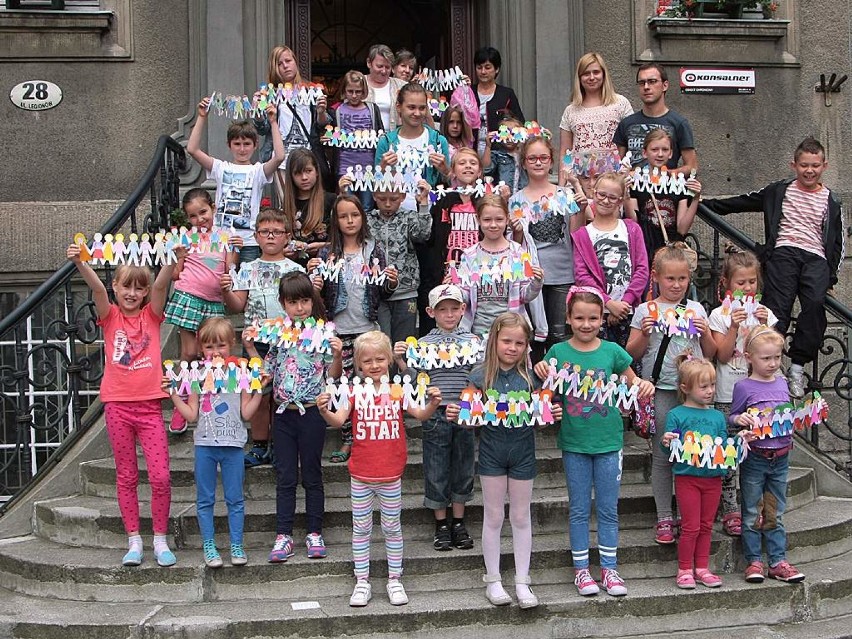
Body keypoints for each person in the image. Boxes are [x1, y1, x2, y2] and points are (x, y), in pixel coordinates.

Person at [66, 241, 184, 567]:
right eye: (126, 286)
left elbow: (162, 284)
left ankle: (159, 540)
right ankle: (134, 540)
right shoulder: (110, 316)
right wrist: (80, 263)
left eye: (138, 287)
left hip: (148, 407)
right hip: (117, 405)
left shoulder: (152, 316)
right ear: (116, 287)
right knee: (127, 476)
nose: (132, 293)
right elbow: (96, 289)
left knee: (160, 477)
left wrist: (172, 262)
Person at [702, 136, 844, 398]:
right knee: (776, 307)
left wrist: (831, 278)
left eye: (814, 165)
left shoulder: (831, 201)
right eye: (804, 165)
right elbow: (743, 201)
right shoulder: (781, 191)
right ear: (793, 165)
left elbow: (837, 243)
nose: (809, 170)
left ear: (824, 165)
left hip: (815, 258)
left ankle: (797, 367)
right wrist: (703, 205)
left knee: (814, 304)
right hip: (784, 251)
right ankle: (765, 362)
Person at [534, 287, 652, 597]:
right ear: (569, 319)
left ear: (602, 319)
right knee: (578, 508)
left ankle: (610, 569)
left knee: (609, 508)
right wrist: (543, 384)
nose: (586, 324)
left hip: (609, 442)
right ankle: (582, 570)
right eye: (580, 318)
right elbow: (544, 396)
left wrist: (643, 386)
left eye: (593, 318)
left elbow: (631, 381)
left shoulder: (612, 351)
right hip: (574, 442)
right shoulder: (557, 353)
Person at [318, 331, 442, 607]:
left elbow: (419, 414)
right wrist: (324, 411)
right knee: (360, 529)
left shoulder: (397, 389)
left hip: (390, 473)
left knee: (392, 528)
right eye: (367, 361)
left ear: (389, 360)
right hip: (361, 474)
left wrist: (433, 403)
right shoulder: (353, 390)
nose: (374, 365)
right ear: (359, 366)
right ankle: (362, 581)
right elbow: (338, 421)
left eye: (380, 359)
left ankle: (394, 579)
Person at [446, 313, 561, 608]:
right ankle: (493, 580)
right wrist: (458, 415)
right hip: (492, 454)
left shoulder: (533, 377)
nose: (512, 347)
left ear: (527, 346)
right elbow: (470, 420)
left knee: (521, 517)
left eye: (519, 343)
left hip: (522, 453)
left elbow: (540, 417)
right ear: (494, 341)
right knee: (494, 516)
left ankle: (523, 581)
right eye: (507, 341)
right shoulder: (479, 376)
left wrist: (550, 415)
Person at [627, 243, 717, 544]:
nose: (676, 285)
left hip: (692, 392)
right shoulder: (645, 310)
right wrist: (645, 331)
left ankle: (692, 512)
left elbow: (712, 353)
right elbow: (632, 354)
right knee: (663, 453)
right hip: (661, 389)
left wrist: (704, 332)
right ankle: (665, 514)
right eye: (670, 279)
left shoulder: (695, 309)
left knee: (693, 450)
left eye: (681, 279)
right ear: (656, 278)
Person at [167, 317, 267, 567]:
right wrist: (172, 395)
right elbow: (191, 415)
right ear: (201, 348)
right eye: (209, 347)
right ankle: (209, 545)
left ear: (231, 345)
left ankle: (236, 544)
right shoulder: (197, 374)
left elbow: (246, 413)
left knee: (235, 499)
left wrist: (258, 391)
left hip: (233, 445)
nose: (215, 352)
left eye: (221, 345)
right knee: (205, 499)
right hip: (205, 445)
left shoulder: (241, 371)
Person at [310, 195, 399, 463]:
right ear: (335, 220)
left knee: (370, 384)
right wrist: (313, 283)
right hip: (339, 330)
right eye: (343, 216)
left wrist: (391, 281)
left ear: (362, 218)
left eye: (355, 215)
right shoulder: (327, 253)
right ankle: (349, 438)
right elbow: (320, 293)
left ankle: (369, 434)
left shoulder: (373, 250)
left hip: (367, 329)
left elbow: (383, 290)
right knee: (343, 386)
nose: (350, 221)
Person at [393, 284, 480, 552]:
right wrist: (402, 363)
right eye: (443, 310)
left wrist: (472, 399)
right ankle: (440, 523)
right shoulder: (421, 344)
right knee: (436, 466)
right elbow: (415, 381)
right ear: (431, 312)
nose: (450, 314)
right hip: (435, 411)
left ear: (464, 310)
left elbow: (479, 375)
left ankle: (458, 520)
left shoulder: (473, 342)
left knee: (464, 465)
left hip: (464, 411)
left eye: (455, 308)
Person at [265, 272, 343, 563]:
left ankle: (314, 532)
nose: (300, 308)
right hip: (284, 414)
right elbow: (269, 369)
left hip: (312, 412)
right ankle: (283, 535)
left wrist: (336, 355)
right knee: (285, 475)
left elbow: (333, 375)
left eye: (305, 301)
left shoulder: (323, 333)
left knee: (312, 474)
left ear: (313, 302)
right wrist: (249, 348)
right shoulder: (279, 335)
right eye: (293, 302)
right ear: (283, 303)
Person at [220, 208, 305, 466]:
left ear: (287, 237)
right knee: (259, 392)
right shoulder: (247, 268)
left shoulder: (295, 268)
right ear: (256, 237)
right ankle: (259, 444)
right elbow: (238, 305)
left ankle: (282, 443)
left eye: (277, 232)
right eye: (265, 232)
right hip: (255, 340)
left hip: (287, 340)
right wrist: (226, 291)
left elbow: (303, 306)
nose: (271, 237)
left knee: (285, 391)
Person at [661, 356, 753, 589]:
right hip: (687, 478)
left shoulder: (716, 416)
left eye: (712, 385)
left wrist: (739, 440)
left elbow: (723, 445)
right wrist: (667, 440)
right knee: (690, 526)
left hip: (713, 479)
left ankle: (702, 567)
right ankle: (684, 569)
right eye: (704, 386)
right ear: (685, 388)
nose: (710, 391)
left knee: (706, 525)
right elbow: (669, 448)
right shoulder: (676, 414)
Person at [709, 247, 777, 536]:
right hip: (728, 394)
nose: (747, 288)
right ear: (726, 283)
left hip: (759, 396)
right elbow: (722, 356)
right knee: (729, 456)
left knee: (758, 455)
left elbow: (774, 349)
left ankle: (755, 507)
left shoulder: (766, 314)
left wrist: (761, 324)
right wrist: (734, 326)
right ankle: (730, 509)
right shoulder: (718, 316)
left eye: (752, 282)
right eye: (741, 283)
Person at [730, 325, 805, 584]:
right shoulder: (743, 386)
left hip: (781, 457)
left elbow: (789, 417)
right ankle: (753, 561)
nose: (773, 363)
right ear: (749, 358)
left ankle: (777, 561)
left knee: (775, 511)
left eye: (777, 357)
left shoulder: (783, 383)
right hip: (755, 458)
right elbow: (733, 416)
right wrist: (740, 418)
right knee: (751, 511)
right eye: (766, 358)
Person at [163, 188, 242, 434]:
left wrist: (235, 251)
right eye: (193, 216)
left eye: (203, 212)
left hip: (214, 301)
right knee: (189, 353)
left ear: (213, 209)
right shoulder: (185, 238)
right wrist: (178, 257)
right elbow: (176, 274)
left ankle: (216, 400)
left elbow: (231, 268)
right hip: (188, 297)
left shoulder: (226, 236)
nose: (200, 219)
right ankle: (183, 401)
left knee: (213, 356)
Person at [509, 136, 585, 350]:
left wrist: (580, 210)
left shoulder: (564, 194)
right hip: (529, 275)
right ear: (524, 163)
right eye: (532, 158)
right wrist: (515, 231)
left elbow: (576, 235)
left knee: (559, 335)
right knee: (531, 335)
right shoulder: (515, 200)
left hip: (562, 274)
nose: (538, 162)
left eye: (543, 157)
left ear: (551, 161)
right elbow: (515, 245)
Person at [187, 96, 284, 264]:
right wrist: (202, 117)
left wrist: (273, 122)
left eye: (246, 144)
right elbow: (192, 149)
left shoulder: (258, 171)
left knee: (244, 287)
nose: (242, 149)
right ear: (229, 145)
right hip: (221, 240)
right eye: (237, 144)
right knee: (220, 284)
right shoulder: (220, 167)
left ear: (255, 145)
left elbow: (280, 156)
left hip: (248, 242)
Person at [339, 174, 432, 345]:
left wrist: (424, 203)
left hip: (406, 291)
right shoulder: (368, 219)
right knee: (381, 342)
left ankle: (405, 372)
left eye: (394, 199)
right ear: (374, 195)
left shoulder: (409, 217)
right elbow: (346, 221)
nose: (388, 204)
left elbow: (423, 234)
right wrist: (343, 193)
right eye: (382, 199)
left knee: (405, 343)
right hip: (377, 293)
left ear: (403, 197)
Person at [572, 172, 649, 347]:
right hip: (596, 313)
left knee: (628, 363)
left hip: (628, 311)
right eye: (602, 195)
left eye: (612, 197)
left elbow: (642, 269)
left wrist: (625, 303)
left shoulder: (632, 229)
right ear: (593, 193)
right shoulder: (583, 235)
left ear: (620, 201)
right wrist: (608, 303)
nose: (606, 201)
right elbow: (582, 275)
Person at [458, 194, 544, 338]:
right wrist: (453, 289)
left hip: (511, 330)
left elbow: (525, 295)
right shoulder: (469, 255)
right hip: (476, 332)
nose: (493, 225)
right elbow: (465, 295)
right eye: (487, 220)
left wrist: (536, 282)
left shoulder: (517, 252)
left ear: (507, 219)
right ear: (478, 220)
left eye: (499, 219)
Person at [255, 45, 333, 195]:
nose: (285, 66)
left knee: (310, 203)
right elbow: (262, 129)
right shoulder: (270, 94)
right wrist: (258, 112)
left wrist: (321, 111)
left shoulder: (310, 89)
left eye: (288, 61)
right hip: (281, 158)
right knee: (287, 205)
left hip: (308, 155)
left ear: (295, 62)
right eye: (279, 64)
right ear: (274, 68)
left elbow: (321, 125)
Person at [624, 129, 703, 268]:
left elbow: (682, 228)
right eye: (654, 149)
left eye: (665, 149)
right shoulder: (636, 183)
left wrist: (695, 198)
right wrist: (625, 195)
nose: (660, 154)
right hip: (644, 250)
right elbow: (633, 223)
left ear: (671, 153)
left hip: (670, 252)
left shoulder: (679, 184)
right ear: (644, 152)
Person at [557, 52, 633, 195]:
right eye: (586, 73)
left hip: (613, 183)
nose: (591, 77)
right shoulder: (571, 110)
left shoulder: (620, 104)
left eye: (596, 72)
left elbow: (631, 143)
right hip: (580, 185)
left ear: (604, 74)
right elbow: (565, 153)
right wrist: (562, 187)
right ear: (579, 78)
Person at [375, 82, 451, 212]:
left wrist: (445, 170)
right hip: (395, 214)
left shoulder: (438, 141)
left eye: (422, 108)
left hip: (429, 212)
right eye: (411, 107)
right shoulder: (386, 142)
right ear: (399, 107)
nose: (417, 113)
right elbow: (375, 187)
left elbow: (452, 183)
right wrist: (382, 169)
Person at [613, 62, 697, 175]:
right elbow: (615, 166)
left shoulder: (679, 123)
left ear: (665, 85)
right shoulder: (626, 124)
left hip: (666, 190)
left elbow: (692, 167)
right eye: (642, 83)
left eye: (652, 81)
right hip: (632, 190)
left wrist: (665, 175)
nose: (646, 87)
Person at [332, 70, 384, 211]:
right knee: (347, 204)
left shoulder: (372, 109)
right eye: (350, 91)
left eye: (358, 91)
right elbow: (330, 133)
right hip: (345, 167)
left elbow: (381, 133)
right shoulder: (337, 110)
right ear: (344, 91)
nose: (354, 95)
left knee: (367, 206)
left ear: (364, 91)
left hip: (368, 168)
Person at [281, 148, 335, 268]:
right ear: (291, 176)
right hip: (295, 271)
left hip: (325, 267)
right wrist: (283, 253)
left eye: (308, 171)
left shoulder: (331, 200)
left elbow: (343, 240)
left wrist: (322, 246)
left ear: (316, 171)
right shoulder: (286, 205)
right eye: (298, 173)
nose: (304, 177)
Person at [472, 46, 524, 156]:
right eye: (479, 67)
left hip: (499, 153)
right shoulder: (468, 92)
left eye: (487, 67)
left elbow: (520, 124)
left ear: (496, 69)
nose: (483, 71)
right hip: (470, 150)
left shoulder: (506, 94)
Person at [483, 113, 528, 194]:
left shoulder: (524, 154)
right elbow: (486, 169)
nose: (509, 138)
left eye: (514, 134)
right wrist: (488, 146)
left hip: (522, 194)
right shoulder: (497, 154)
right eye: (505, 133)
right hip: (503, 195)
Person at [365, 44, 407, 130]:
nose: (384, 71)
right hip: (365, 139)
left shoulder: (402, 86)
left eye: (387, 67)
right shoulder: (358, 84)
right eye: (379, 66)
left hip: (394, 139)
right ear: (369, 63)